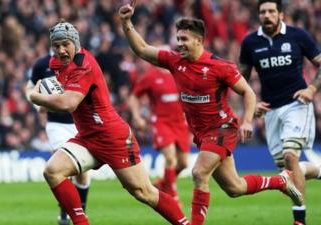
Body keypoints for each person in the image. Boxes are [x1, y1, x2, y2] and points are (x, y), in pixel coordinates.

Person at [119, 3, 303, 225]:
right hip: (201, 134)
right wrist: (126, 22)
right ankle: (281, 181)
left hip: (222, 128)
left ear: (199, 40)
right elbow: (141, 49)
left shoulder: (220, 66)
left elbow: (248, 92)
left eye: (184, 39)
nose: (179, 44)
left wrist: (246, 122)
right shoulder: (174, 61)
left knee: (198, 173)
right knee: (234, 187)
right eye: (178, 39)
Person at [29, 21, 190, 225]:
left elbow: (68, 103)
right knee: (52, 170)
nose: (61, 50)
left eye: (65, 44)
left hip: (112, 137)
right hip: (87, 137)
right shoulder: (55, 64)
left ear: (75, 43)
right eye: (56, 46)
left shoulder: (83, 65)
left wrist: (36, 98)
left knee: (144, 192)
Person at [239, 1, 321, 224]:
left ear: (280, 14)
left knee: (290, 156)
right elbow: (240, 81)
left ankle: (300, 219)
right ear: (259, 16)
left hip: (297, 105)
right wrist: (251, 105)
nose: (267, 15)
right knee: (288, 173)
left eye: (271, 11)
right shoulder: (250, 42)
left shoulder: (297, 35)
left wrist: (312, 88)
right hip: (271, 112)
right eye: (263, 12)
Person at [25, 52, 91, 225]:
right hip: (57, 125)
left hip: (80, 124)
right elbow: (29, 87)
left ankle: (80, 212)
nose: (60, 46)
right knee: (62, 169)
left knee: (82, 175)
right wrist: (36, 104)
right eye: (56, 42)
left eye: (64, 42)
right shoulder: (42, 64)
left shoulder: (79, 62)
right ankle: (65, 213)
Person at [129, 60, 191, 204]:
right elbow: (134, 97)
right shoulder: (150, 77)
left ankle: (163, 183)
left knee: (183, 164)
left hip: (180, 123)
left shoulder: (179, 73)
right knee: (170, 158)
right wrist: (137, 116)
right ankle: (172, 196)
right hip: (161, 122)